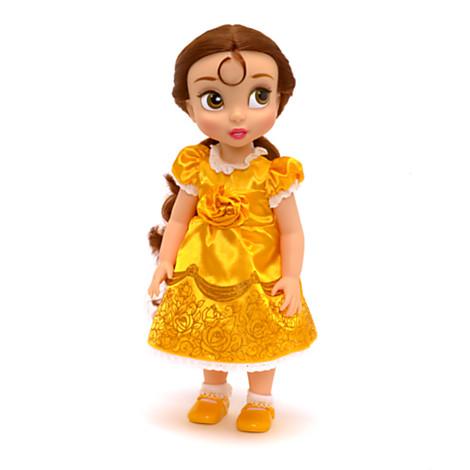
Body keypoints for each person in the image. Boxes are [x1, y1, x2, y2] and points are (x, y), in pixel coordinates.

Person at [147, 24, 318, 433]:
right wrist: (165, 261)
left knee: (261, 335)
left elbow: (292, 232)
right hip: (204, 270)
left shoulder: (274, 174)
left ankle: (260, 398)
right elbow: (180, 218)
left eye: (259, 96)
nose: (238, 115)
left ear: (280, 98)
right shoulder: (196, 167)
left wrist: (291, 276)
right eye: (215, 99)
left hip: (259, 272)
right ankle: (214, 389)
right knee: (211, 328)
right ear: (189, 106)